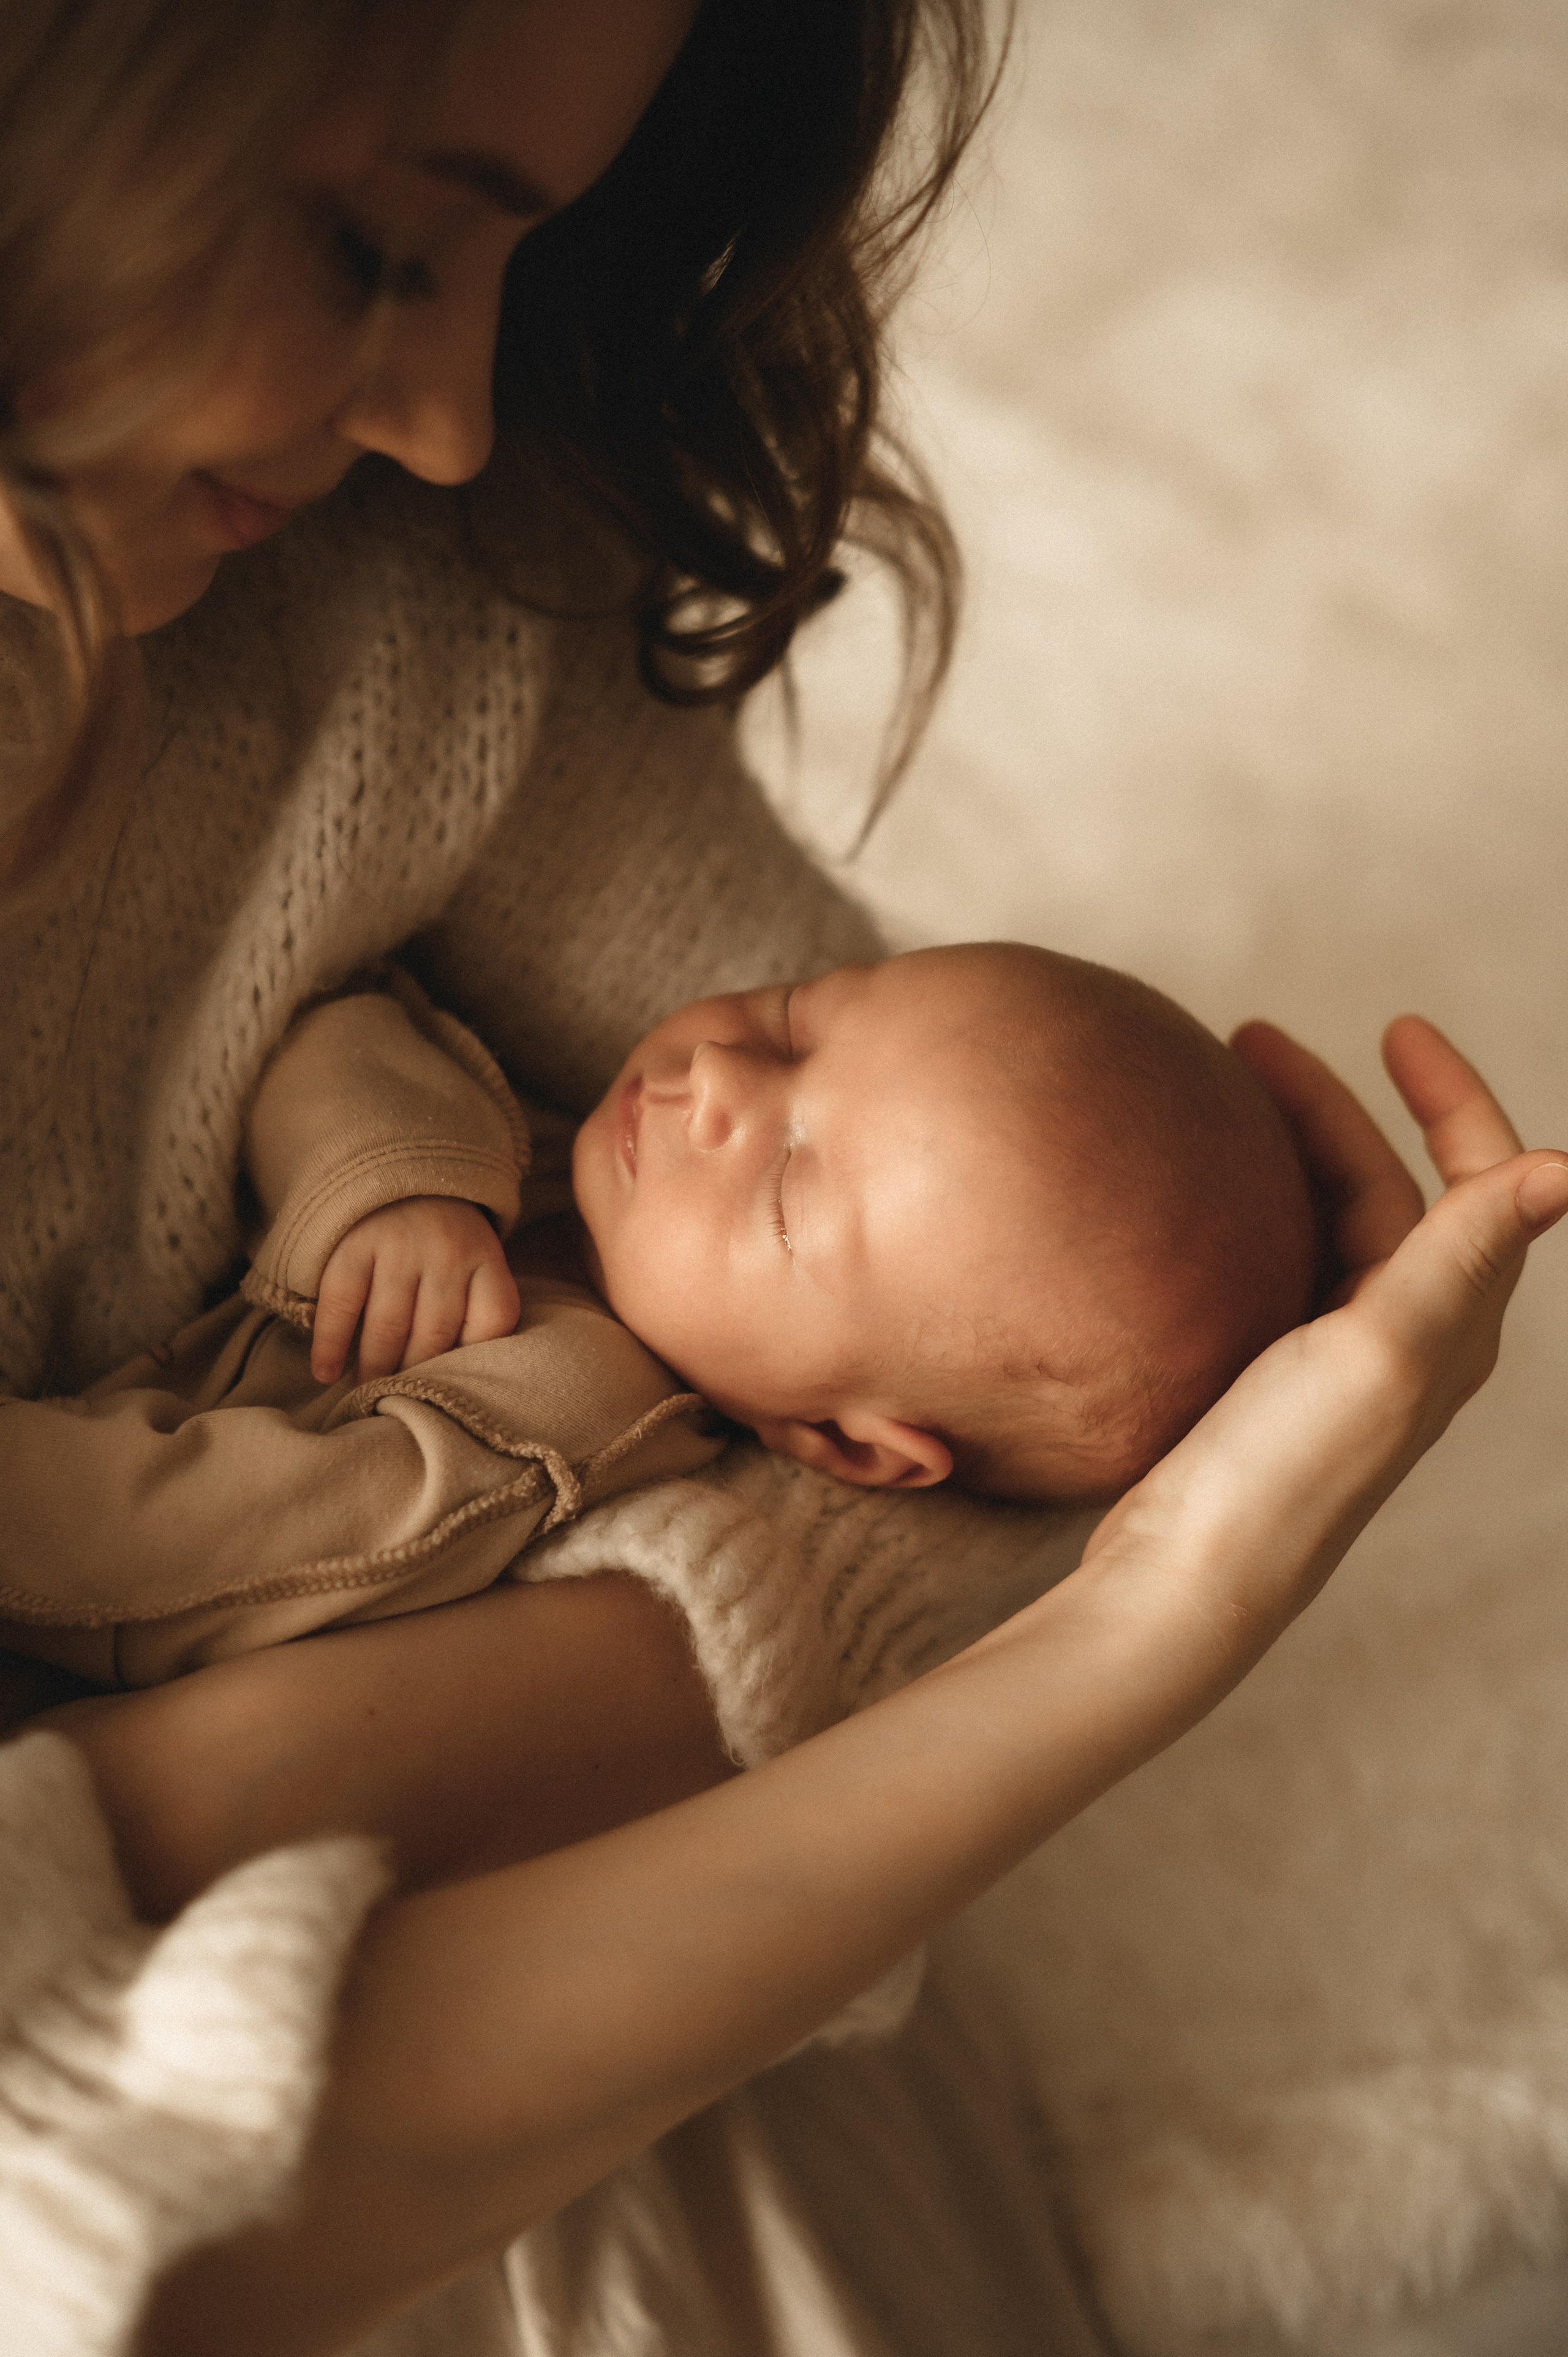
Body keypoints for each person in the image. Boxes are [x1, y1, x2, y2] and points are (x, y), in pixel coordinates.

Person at [0, 2, 1561, 2351]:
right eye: (368, 243)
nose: (443, 419)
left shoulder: (415, 589)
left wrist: (1154, 1582)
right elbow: (100, 2200)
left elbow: (986, 1224)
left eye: (521, 254)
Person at [0, 940, 1314, 1683]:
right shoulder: (570, 1153)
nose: (721, 1077)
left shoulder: (554, 1424)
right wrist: (399, 1180)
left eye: (790, 1190)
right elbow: (336, 1017)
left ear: (847, 1445)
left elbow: (176, 1555)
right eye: (800, 1017)